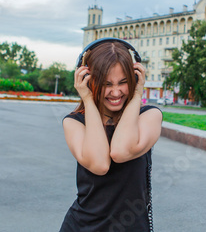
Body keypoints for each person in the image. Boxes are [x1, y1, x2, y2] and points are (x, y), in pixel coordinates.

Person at [60, 39, 163, 232]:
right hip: (82, 227)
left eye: (123, 82)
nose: (116, 92)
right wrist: (88, 99)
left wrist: (137, 94)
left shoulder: (149, 116)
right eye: (106, 84)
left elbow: (121, 151)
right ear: (89, 81)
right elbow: (100, 164)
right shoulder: (74, 122)